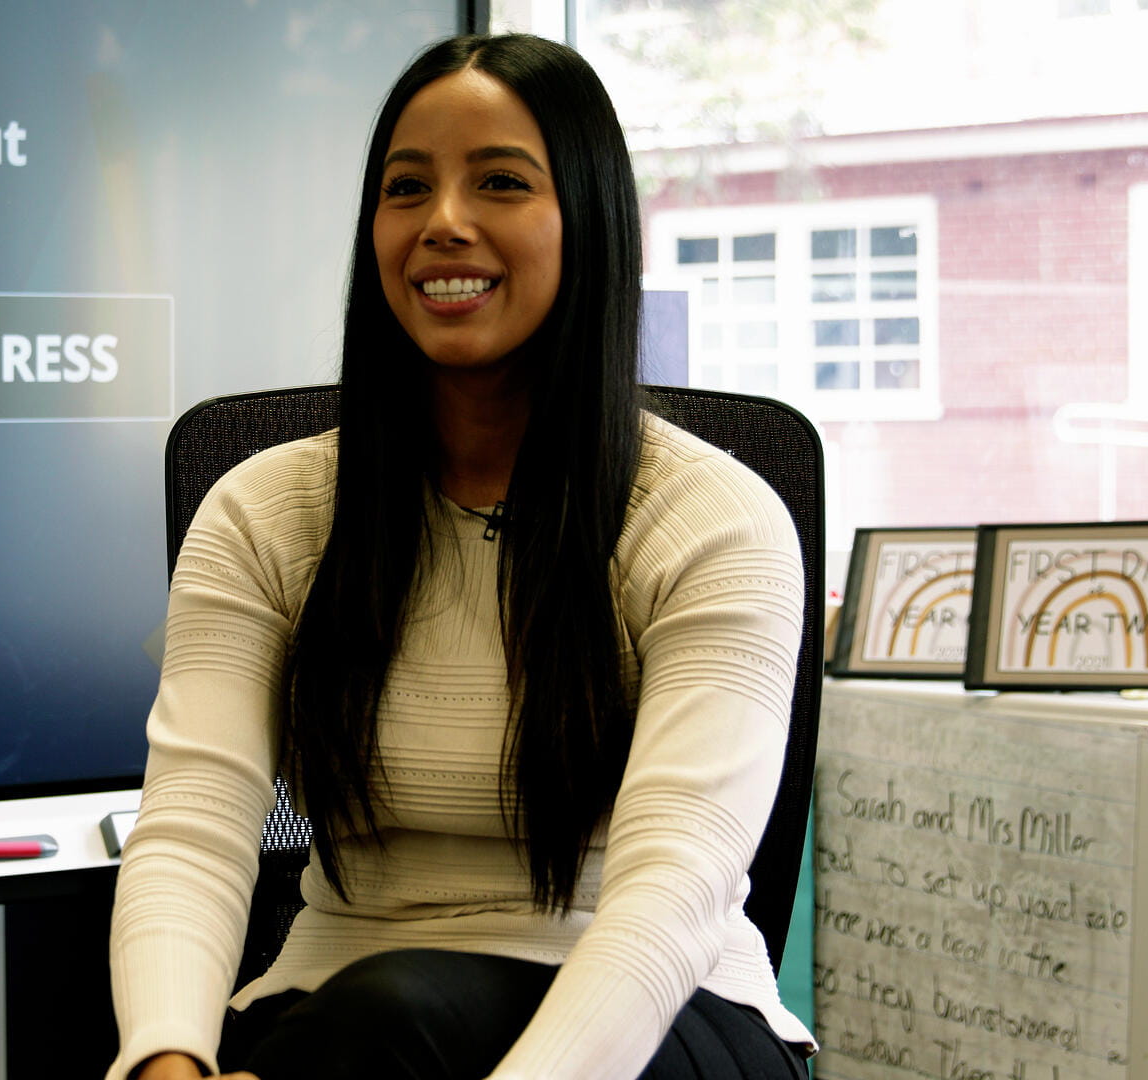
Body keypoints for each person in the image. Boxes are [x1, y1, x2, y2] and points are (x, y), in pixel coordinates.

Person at [105, 33, 816, 1080]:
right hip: (344, 1008)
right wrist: (166, 1060)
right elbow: (191, 828)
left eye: (498, 182)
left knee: (389, 1021)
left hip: (658, 1014)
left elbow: (672, 892)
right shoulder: (265, 514)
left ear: (587, 220)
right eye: (405, 188)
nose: (442, 223)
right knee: (373, 1020)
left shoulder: (712, 520)